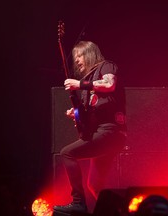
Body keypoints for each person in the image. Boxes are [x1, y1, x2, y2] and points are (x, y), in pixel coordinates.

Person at [53, 41, 127, 214]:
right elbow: (92, 112)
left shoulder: (106, 66)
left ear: (90, 53)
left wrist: (80, 85)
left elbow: (109, 85)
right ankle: (121, 211)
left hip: (110, 132)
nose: (77, 60)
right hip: (103, 133)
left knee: (67, 152)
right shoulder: (88, 80)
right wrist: (77, 114)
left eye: (80, 55)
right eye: (75, 57)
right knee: (94, 184)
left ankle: (78, 202)